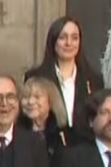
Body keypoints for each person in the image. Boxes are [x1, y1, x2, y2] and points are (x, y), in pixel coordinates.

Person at [24, 16, 103, 147]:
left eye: (74, 38)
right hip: (48, 149)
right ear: (53, 41)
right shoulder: (36, 77)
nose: (69, 43)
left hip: (84, 151)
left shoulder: (94, 79)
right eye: (62, 37)